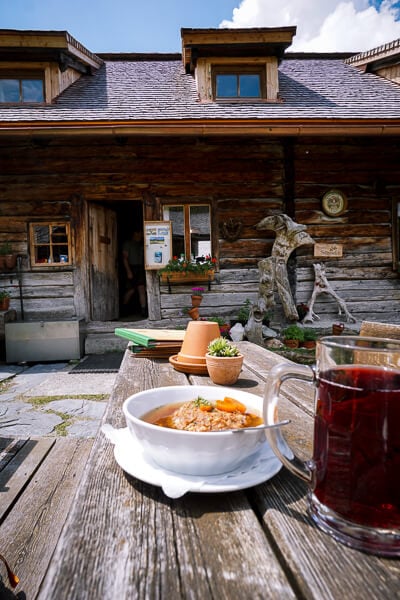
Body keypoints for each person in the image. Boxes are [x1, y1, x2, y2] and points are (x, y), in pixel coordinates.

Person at [122, 230, 147, 317]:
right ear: (135, 233)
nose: (141, 236)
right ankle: (123, 309)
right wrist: (128, 271)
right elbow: (124, 258)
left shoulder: (141, 245)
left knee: (141, 289)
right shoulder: (127, 244)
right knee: (130, 290)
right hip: (131, 267)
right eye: (139, 233)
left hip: (140, 268)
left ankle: (143, 310)